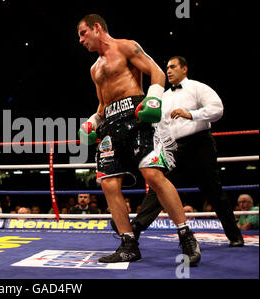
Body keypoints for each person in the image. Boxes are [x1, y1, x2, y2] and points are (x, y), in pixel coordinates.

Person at [77, 14, 200, 265]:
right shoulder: (94, 69)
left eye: (83, 33)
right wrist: (92, 122)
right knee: (109, 184)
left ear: (97, 27)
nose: (81, 40)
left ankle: (186, 234)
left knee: (153, 174)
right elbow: (102, 105)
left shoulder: (126, 46)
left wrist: (153, 98)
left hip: (136, 116)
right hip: (110, 124)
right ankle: (128, 243)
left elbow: (156, 73)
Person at [129, 56, 245, 247]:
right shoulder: (164, 97)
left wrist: (191, 114)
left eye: (173, 67)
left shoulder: (198, 88)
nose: (169, 71)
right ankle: (136, 228)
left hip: (200, 144)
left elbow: (217, 109)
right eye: (167, 67)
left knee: (213, 191)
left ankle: (234, 236)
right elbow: (161, 125)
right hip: (174, 148)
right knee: (159, 187)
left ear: (185, 69)